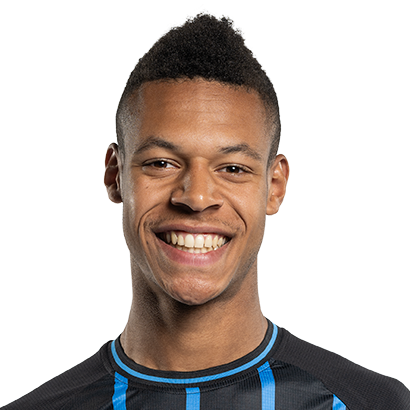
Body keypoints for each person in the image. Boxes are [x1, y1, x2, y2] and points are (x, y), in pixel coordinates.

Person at [3, 10, 409, 410]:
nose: (196, 198)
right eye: (161, 163)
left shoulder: (372, 404)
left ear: (274, 187)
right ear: (115, 176)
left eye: (232, 168)